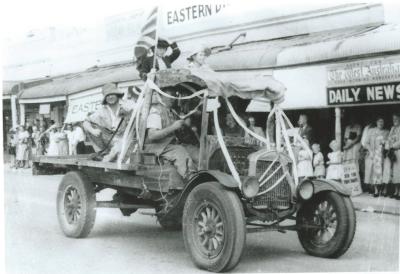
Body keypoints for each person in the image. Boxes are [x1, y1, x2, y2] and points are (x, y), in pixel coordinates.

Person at [144, 88, 197, 178]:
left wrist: (185, 124)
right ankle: (192, 179)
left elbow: (176, 130)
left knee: (195, 152)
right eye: (170, 95)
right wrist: (173, 127)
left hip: (169, 145)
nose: (173, 98)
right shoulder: (156, 111)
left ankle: (202, 176)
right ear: (161, 95)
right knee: (180, 152)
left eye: (174, 95)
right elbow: (152, 135)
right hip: (156, 147)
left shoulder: (171, 111)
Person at [82, 83, 130, 162]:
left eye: (112, 94)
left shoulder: (126, 105)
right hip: (111, 140)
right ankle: (104, 153)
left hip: (126, 139)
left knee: (120, 148)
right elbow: (86, 122)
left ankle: (112, 156)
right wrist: (93, 131)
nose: (110, 97)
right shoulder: (102, 110)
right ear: (105, 98)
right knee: (91, 126)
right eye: (108, 95)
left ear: (117, 95)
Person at [364, 117, 389, 197]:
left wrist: (385, 144)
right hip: (374, 154)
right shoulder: (371, 131)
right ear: (376, 122)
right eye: (379, 121)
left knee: (384, 171)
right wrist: (370, 151)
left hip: (383, 155)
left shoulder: (386, 132)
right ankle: (376, 190)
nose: (381, 123)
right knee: (374, 172)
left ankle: (384, 190)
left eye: (382, 121)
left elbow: (389, 142)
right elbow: (366, 143)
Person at [383, 113, 400, 199]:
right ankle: (395, 191)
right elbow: (389, 139)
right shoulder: (392, 128)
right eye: (393, 119)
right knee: (392, 172)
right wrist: (387, 145)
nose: (395, 120)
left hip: (398, 151)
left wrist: (392, 146)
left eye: (396, 118)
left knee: (398, 172)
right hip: (391, 152)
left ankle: (399, 192)